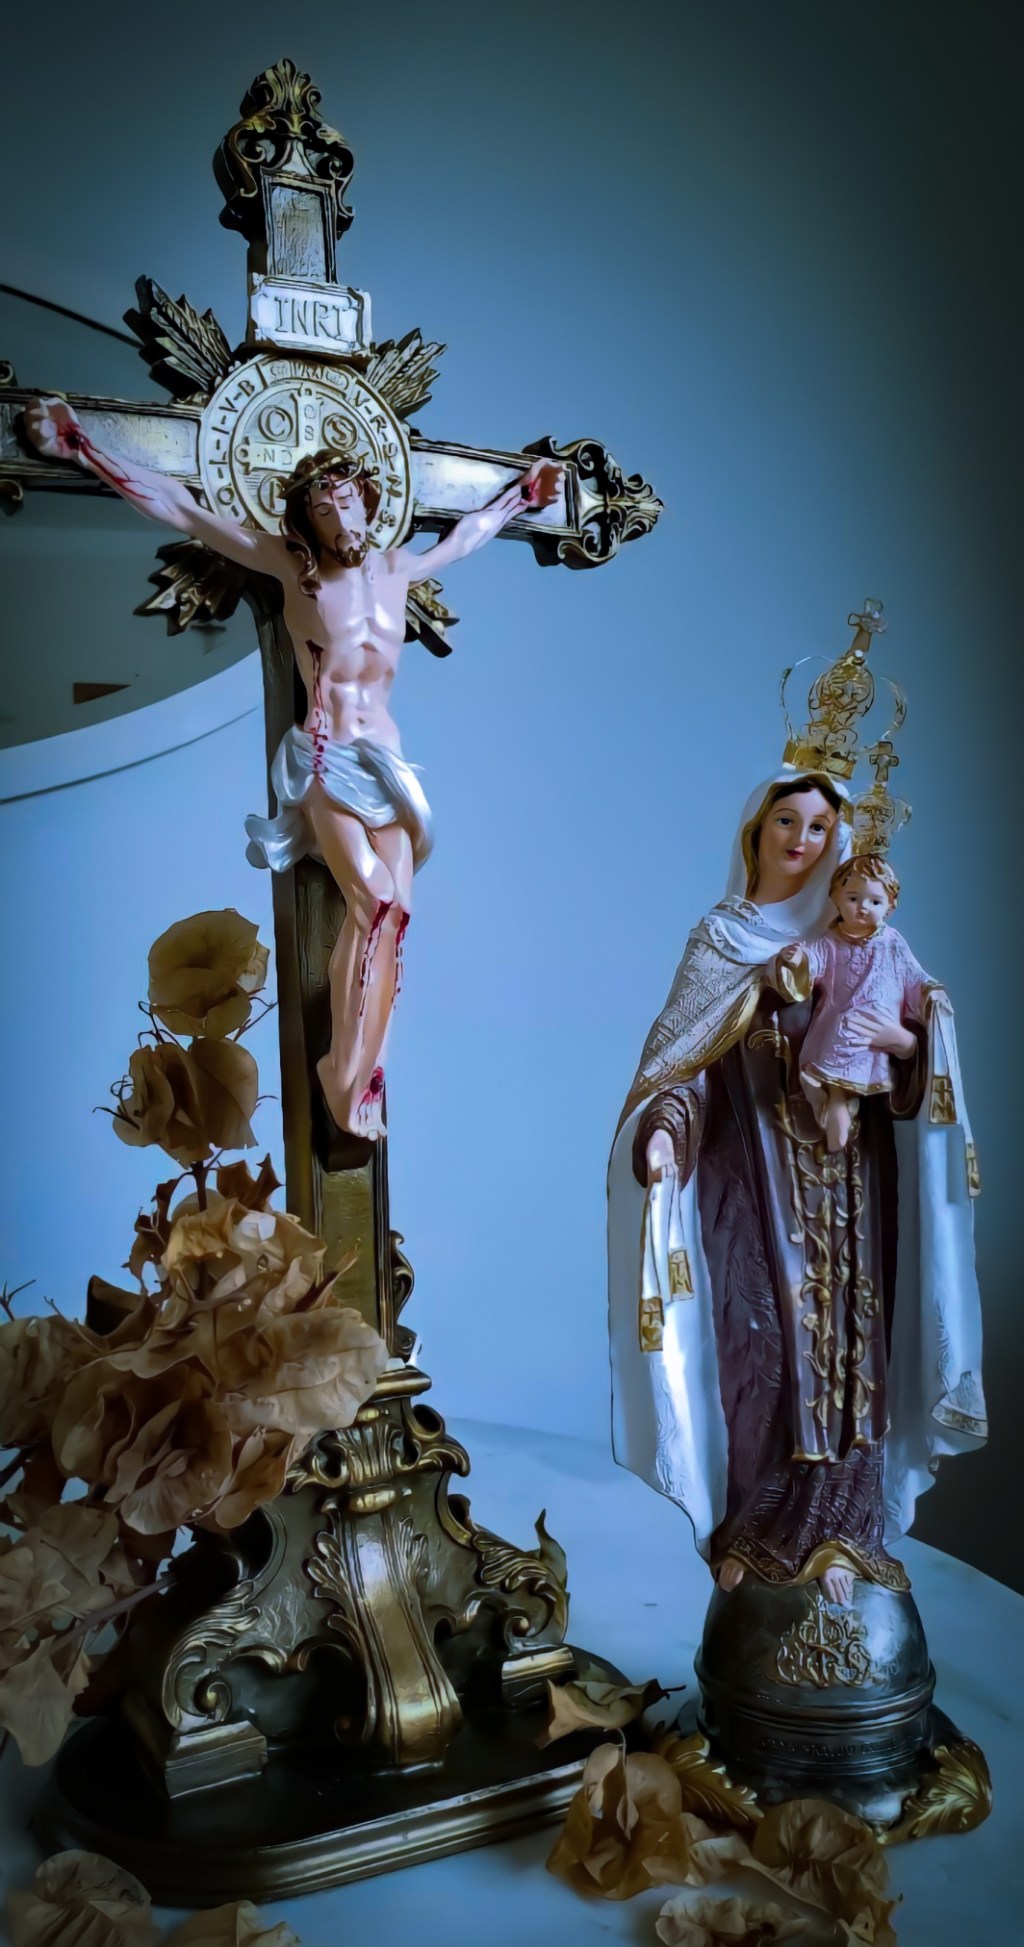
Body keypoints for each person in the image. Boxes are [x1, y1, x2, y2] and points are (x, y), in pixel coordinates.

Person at [23, 397, 560, 1138]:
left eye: (349, 502)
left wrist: (520, 497)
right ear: (307, 521)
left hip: (389, 762)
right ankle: (341, 1074)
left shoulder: (398, 567)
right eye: (324, 509)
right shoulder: (292, 571)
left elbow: (467, 536)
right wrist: (84, 447)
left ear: (368, 502)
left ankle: (365, 1070)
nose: (342, 519)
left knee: (396, 920)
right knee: (374, 901)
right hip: (327, 758)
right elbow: (183, 510)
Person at [608, 771, 986, 1608]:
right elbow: (682, 1066)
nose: (801, 841)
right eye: (786, 820)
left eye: (819, 826)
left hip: (850, 1192)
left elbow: (919, 1051)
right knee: (761, 1353)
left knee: (852, 1353)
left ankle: (845, 1533)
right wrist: (664, 1129)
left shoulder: (861, 939)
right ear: (756, 831)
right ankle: (755, 1532)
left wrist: (903, 1041)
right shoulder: (724, 942)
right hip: (748, 1189)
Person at [780, 853, 930, 1152]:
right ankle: (834, 1101)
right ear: (836, 897)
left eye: (874, 902)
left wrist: (930, 994)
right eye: (853, 898)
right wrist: (797, 959)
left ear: (890, 906)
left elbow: (916, 978)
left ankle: (838, 1103)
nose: (863, 907)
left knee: (859, 1058)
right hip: (840, 1024)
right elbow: (812, 961)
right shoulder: (830, 941)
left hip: (881, 1030)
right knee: (837, 1052)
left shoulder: (892, 942)